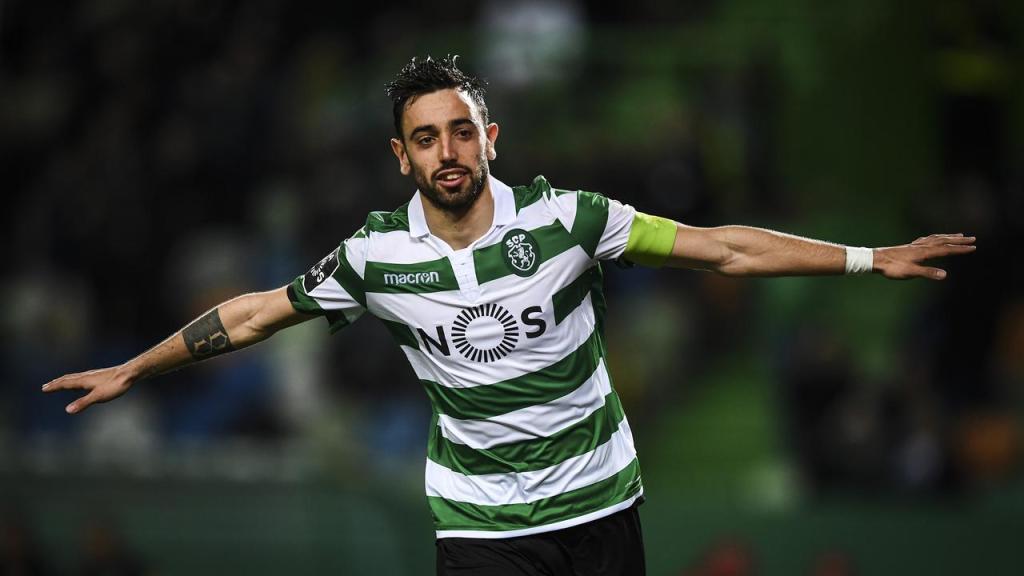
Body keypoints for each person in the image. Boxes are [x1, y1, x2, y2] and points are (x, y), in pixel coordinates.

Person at [42, 55, 977, 575]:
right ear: (401, 158)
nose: (445, 151)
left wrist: (869, 258)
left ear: (489, 138)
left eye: (460, 131)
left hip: (599, 499)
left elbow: (724, 248)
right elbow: (255, 315)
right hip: (481, 522)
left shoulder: (572, 220)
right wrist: (137, 366)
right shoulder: (375, 256)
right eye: (424, 139)